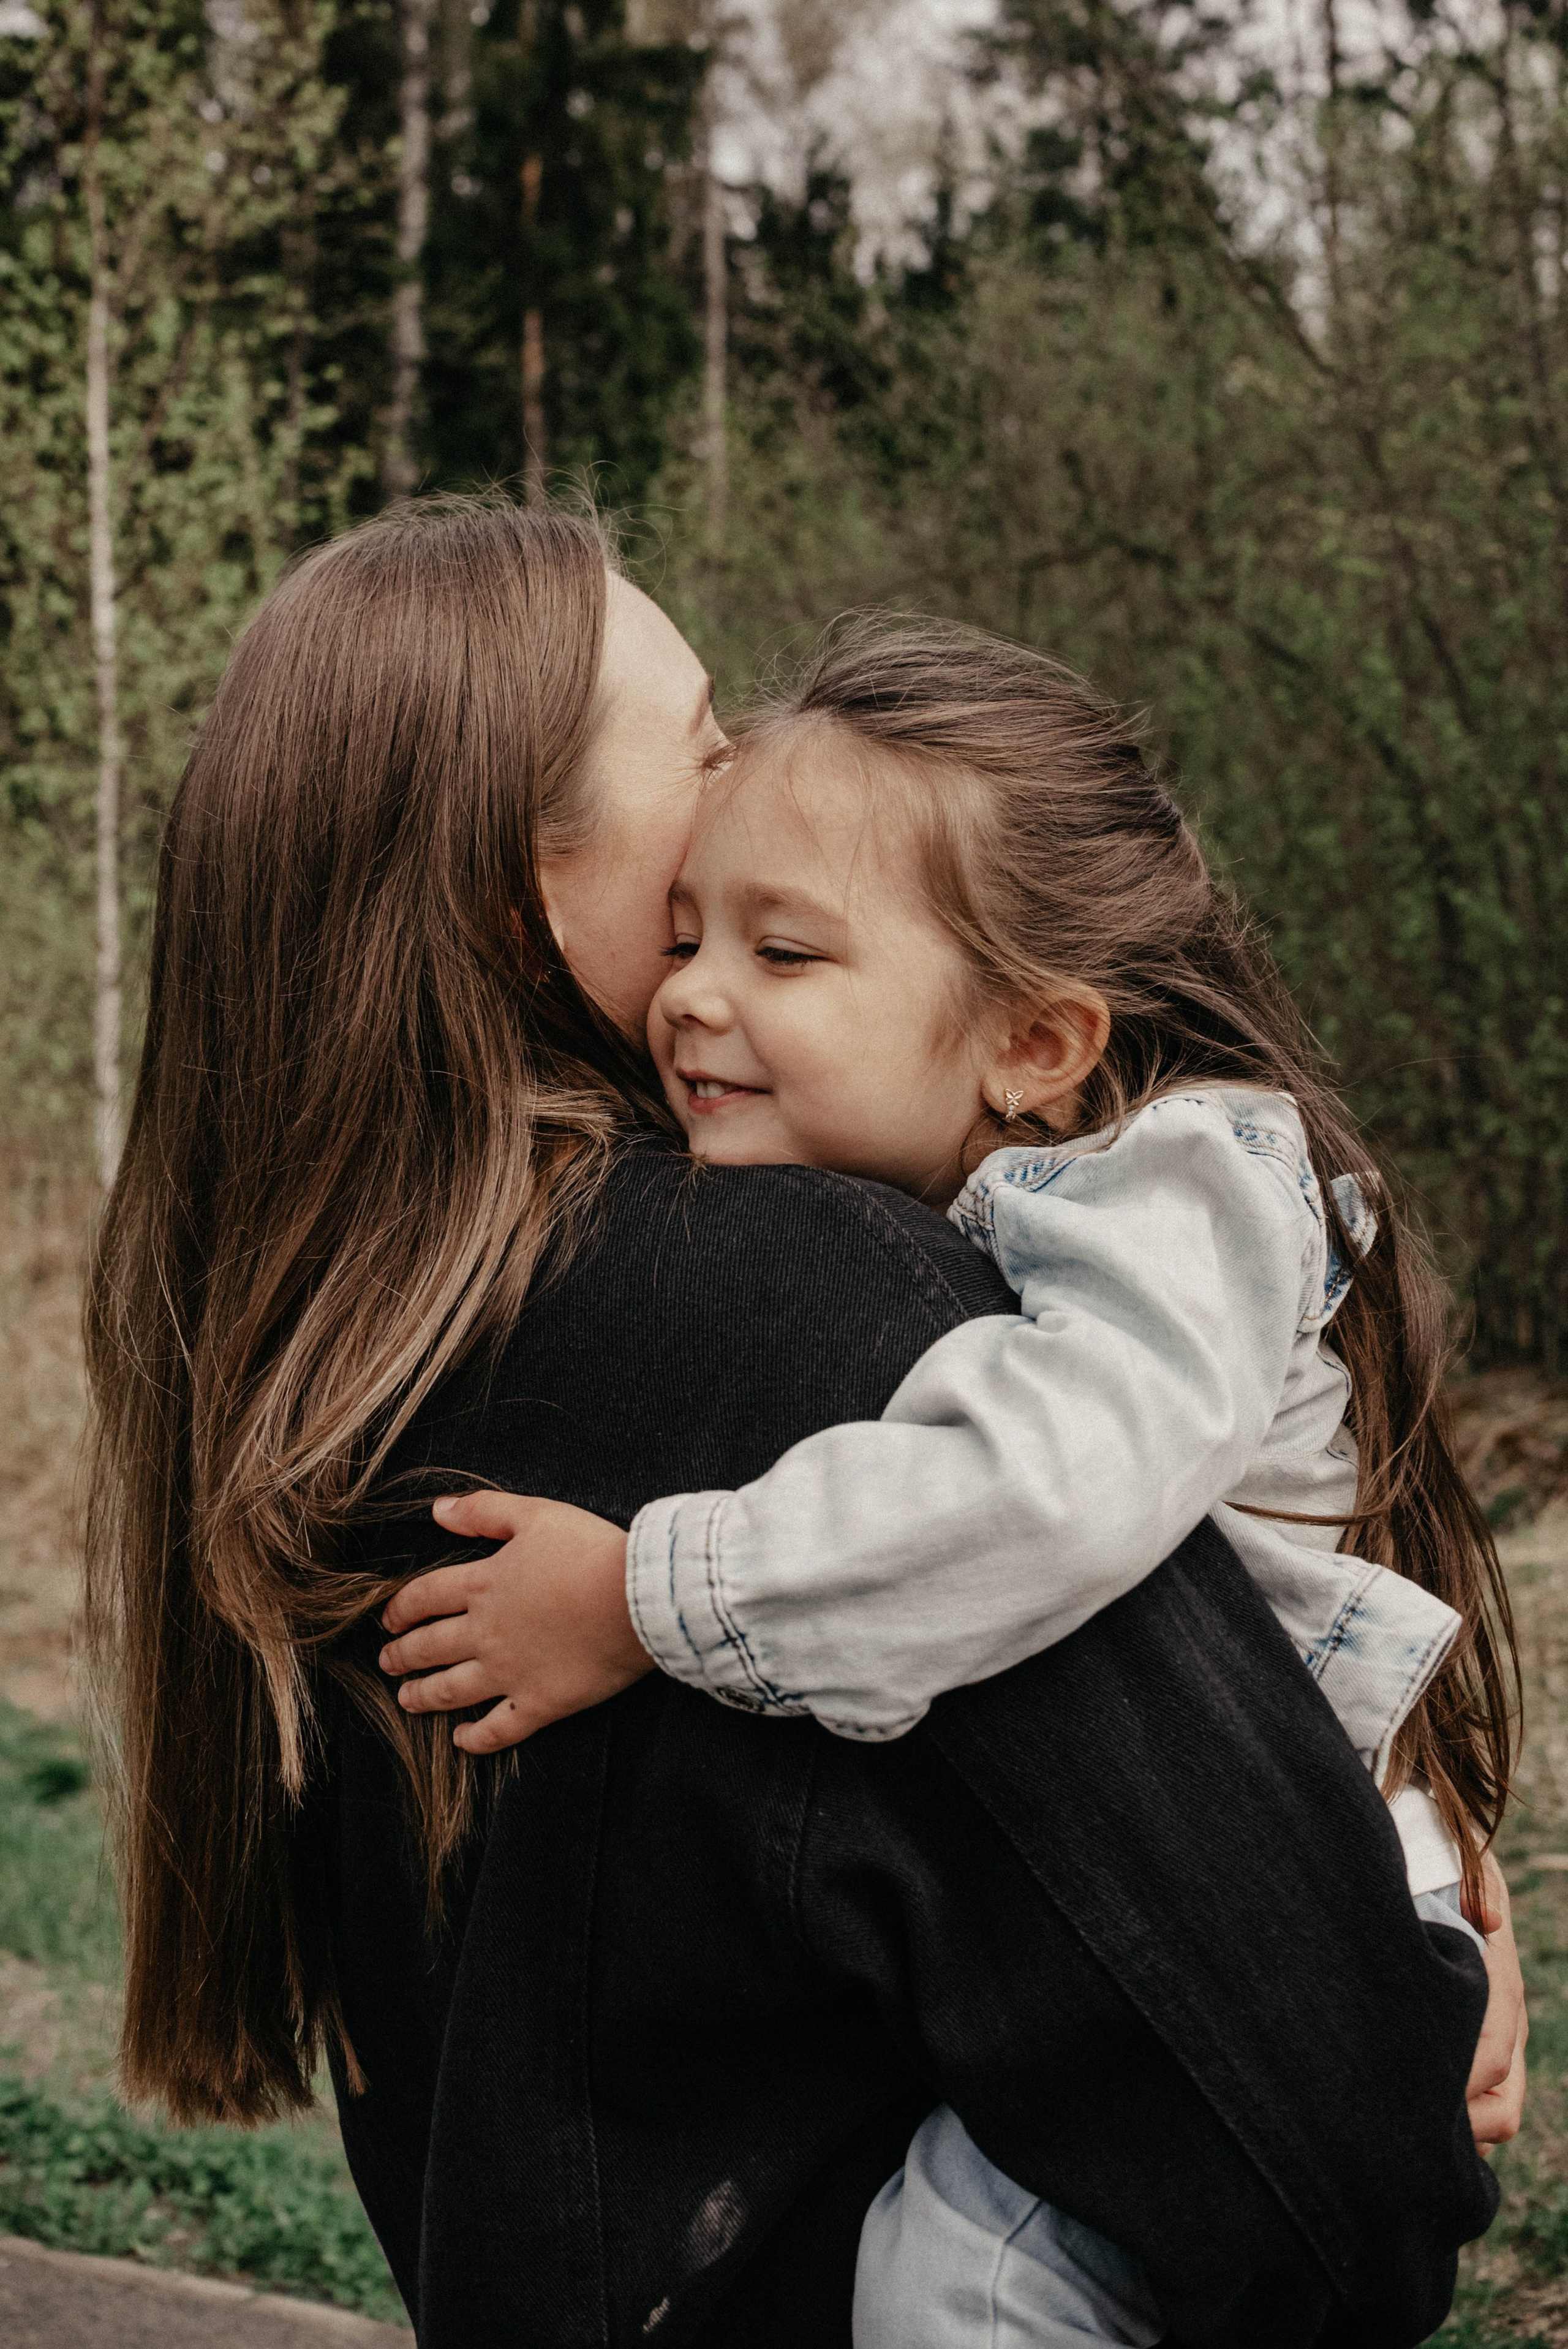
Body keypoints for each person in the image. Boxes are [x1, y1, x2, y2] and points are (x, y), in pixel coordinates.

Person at [84, 502, 1520, 2349]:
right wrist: (1393, 1997)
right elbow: (1317, 2128)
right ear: (523, 896)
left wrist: (1367, 1825)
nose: (752, 765)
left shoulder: (374, 1355)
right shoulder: (784, 1308)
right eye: (700, 745)